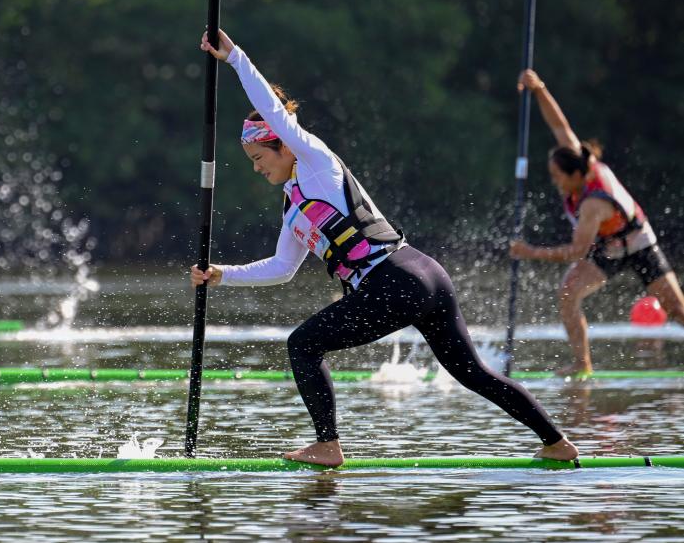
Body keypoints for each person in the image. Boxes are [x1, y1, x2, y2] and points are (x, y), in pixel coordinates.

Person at [190, 29, 578, 467]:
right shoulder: (295, 210)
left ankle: (327, 445)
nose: (257, 169)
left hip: (395, 279)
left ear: (282, 145)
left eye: (259, 158)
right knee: (473, 374)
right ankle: (556, 442)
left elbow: (274, 112)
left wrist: (236, 58)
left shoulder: (316, 162)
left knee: (302, 344)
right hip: (424, 274)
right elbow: (282, 267)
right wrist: (224, 273)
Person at [509, 69, 684, 376]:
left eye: (557, 177)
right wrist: (539, 89)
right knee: (567, 294)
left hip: (639, 244)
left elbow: (576, 252)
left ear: (576, 175)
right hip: (606, 248)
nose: (555, 182)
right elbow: (559, 126)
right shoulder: (575, 157)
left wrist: (530, 252)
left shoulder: (593, 204)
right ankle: (582, 364)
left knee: (677, 310)